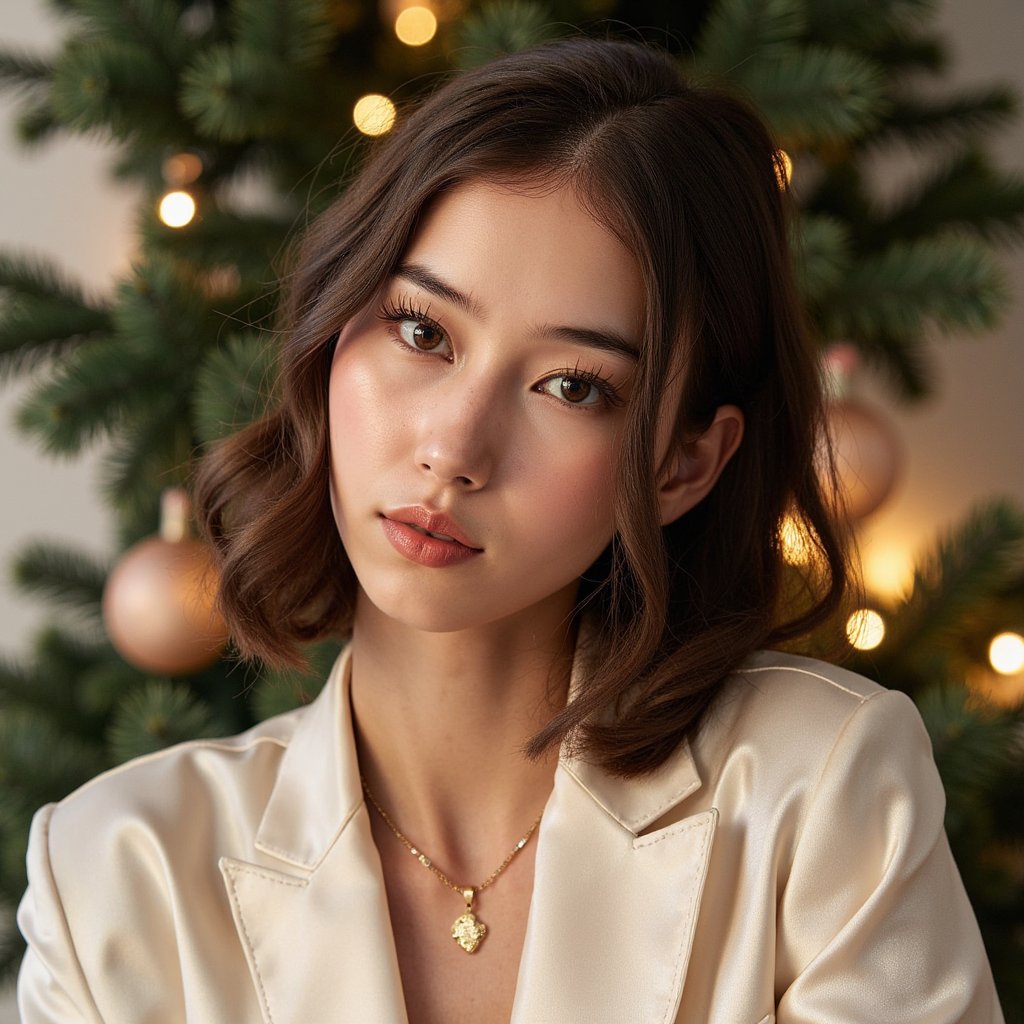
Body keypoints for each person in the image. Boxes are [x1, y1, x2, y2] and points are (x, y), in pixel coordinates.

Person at [17, 36, 1002, 1024]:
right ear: (332, 332)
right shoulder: (116, 871)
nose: (454, 447)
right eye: (421, 330)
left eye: (571, 386)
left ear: (682, 463)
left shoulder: (816, 794)